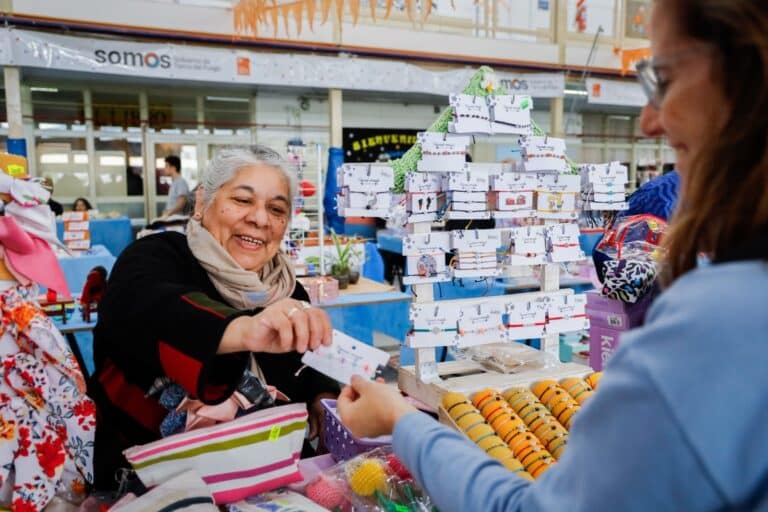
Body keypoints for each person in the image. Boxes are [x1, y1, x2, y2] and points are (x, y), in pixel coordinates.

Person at [338, 1, 768, 510]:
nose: (650, 119)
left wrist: (400, 421)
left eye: (664, 78)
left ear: (745, 79)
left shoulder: (712, 327)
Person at [89, 146, 340, 488]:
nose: (260, 219)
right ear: (204, 201)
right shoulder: (157, 257)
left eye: (276, 208)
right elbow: (146, 308)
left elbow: (305, 367)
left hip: (268, 483)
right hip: (152, 486)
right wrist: (246, 329)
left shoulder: (289, 292)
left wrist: (323, 398)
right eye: (242, 200)